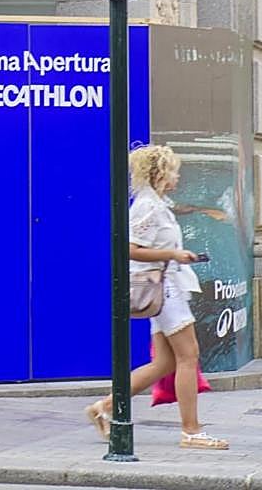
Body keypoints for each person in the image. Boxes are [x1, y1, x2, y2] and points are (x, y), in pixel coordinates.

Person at [83, 144, 228, 450]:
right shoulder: (148, 206)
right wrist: (173, 253)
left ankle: (105, 407)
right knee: (188, 356)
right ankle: (191, 431)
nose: (177, 175)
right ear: (159, 173)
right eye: (174, 170)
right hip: (166, 290)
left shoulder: (158, 203)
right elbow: (129, 247)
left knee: (164, 363)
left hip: (168, 287)